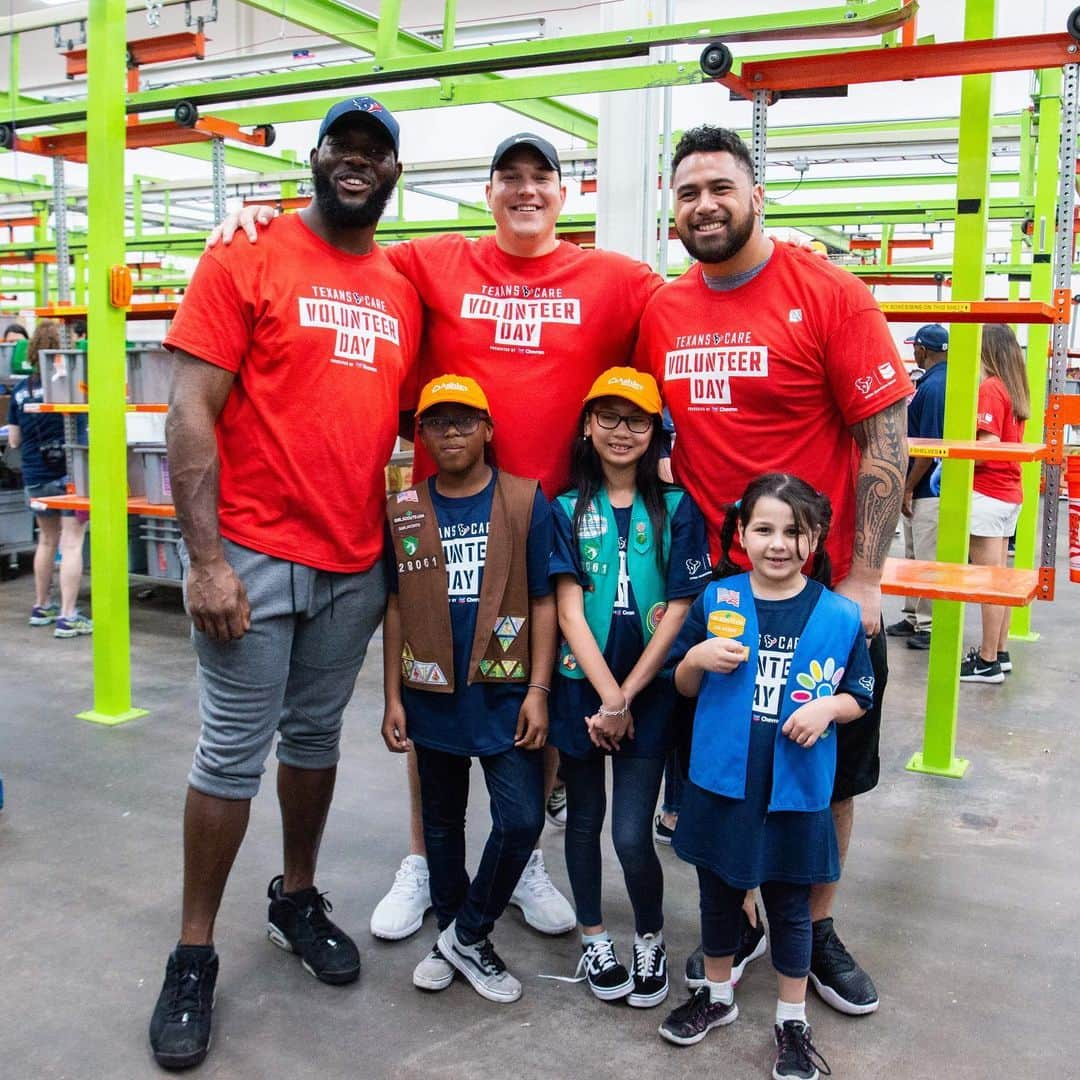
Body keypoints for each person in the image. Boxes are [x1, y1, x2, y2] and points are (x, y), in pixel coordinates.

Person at [216, 131, 662, 945]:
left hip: (544, 519)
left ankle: (520, 859)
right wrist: (261, 219)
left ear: (568, 194)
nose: (525, 191)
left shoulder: (617, 278)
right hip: (442, 513)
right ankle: (425, 857)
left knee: (540, 682)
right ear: (487, 193)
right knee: (435, 675)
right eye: (508, 178)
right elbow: (336, 243)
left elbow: (698, 297)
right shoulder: (431, 261)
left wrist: (790, 254)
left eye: (542, 178)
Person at [149, 96, 421, 1070]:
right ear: (315, 158)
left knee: (312, 741)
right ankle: (192, 954)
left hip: (352, 562)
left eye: (375, 151)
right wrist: (206, 558)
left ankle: (296, 901)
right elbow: (189, 408)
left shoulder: (402, 284)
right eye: (342, 146)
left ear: (395, 174)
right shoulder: (245, 253)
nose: (357, 162)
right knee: (230, 752)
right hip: (252, 556)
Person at [635, 125, 910, 1016]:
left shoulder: (828, 292)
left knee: (825, 770)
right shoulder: (665, 311)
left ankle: (815, 926)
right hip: (720, 597)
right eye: (688, 192)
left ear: (757, 196)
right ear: (674, 213)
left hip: (822, 594)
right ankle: (741, 923)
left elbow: (885, 438)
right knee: (721, 773)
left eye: (721, 186)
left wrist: (865, 580)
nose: (705, 204)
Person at [658, 475, 874, 1080]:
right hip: (723, 782)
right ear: (741, 535)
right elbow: (681, 683)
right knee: (718, 895)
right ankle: (717, 998)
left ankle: (791, 1018)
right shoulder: (717, 601)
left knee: (791, 905)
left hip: (795, 792)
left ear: (814, 539)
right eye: (764, 529)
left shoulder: (839, 613)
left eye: (793, 531)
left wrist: (827, 708)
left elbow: (861, 690)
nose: (778, 543)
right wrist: (696, 659)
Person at [382, 374, 555, 1003]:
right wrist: (392, 697)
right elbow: (396, 605)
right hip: (431, 696)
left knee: (521, 817)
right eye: (436, 423)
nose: (450, 432)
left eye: (463, 421)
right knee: (442, 825)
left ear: (488, 429)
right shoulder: (404, 508)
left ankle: (468, 931)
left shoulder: (524, 500)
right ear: (420, 435)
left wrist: (538, 689)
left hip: (505, 696)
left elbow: (543, 601)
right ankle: (454, 931)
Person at [548, 368, 709, 1007]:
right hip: (577, 689)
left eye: (636, 420)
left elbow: (677, 609)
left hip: (651, 696)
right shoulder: (561, 508)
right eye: (608, 417)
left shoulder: (677, 508)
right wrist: (603, 697)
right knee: (583, 823)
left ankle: (648, 937)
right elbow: (564, 611)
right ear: (588, 425)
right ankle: (594, 937)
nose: (621, 431)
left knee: (631, 835)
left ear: (655, 432)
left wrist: (625, 698)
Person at [6, 320, 92, 637]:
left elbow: (13, 440)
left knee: (45, 540)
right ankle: (68, 615)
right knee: (72, 544)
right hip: (72, 476)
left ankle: (42, 606)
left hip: (35, 473)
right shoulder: (74, 384)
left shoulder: (19, 391)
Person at [959, 324, 1030, 684]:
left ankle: (986, 661)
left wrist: (954, 460)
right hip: (1008, 494)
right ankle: (998, 653)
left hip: (986, 494)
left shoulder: (990, 388)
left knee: (988, 583)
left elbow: (986, 447)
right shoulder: (1014, 389)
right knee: (1000, 580)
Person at [887, 324, 949, 650]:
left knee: (926, 559)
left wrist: (908, 487)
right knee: (914, 556)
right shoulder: (934, 383)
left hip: (928, 489)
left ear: (922, 350)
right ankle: (913, 615)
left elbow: (929, 446)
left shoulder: (936, 386)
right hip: (923, 487)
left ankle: (928, 624)